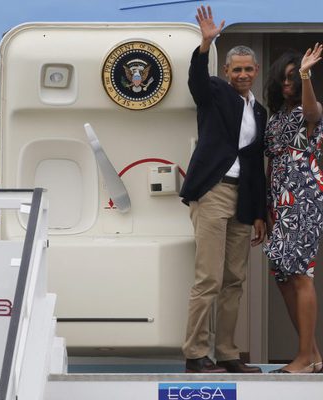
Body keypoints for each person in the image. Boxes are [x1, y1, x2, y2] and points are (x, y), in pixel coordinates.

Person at [179, 5, 267, 373]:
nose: (243, 74)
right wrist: (205, 45)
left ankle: (228, 354)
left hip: (243, 200)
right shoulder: (215, 91)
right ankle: (195, 354)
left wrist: (260, 212)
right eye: (237, 69)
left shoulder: (259, 111)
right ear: (227, 72)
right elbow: (196, 80)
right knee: (209, 278)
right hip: (213, 191)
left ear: (255, 72)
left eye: (249, 69)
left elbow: (256, 165)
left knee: (234, 281)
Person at [264, 44, 323, 373]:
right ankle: (313, 355)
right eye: (284, 79)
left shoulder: (308, 110)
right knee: (283, 277)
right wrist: (267, 205)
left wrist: (305, 73)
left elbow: (313, 113)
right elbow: (271, 162)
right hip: (278, 203)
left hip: (303, 199)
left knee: (301, 276)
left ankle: (303, 357)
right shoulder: (275, 118)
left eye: (293, 79)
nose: (288, 84)